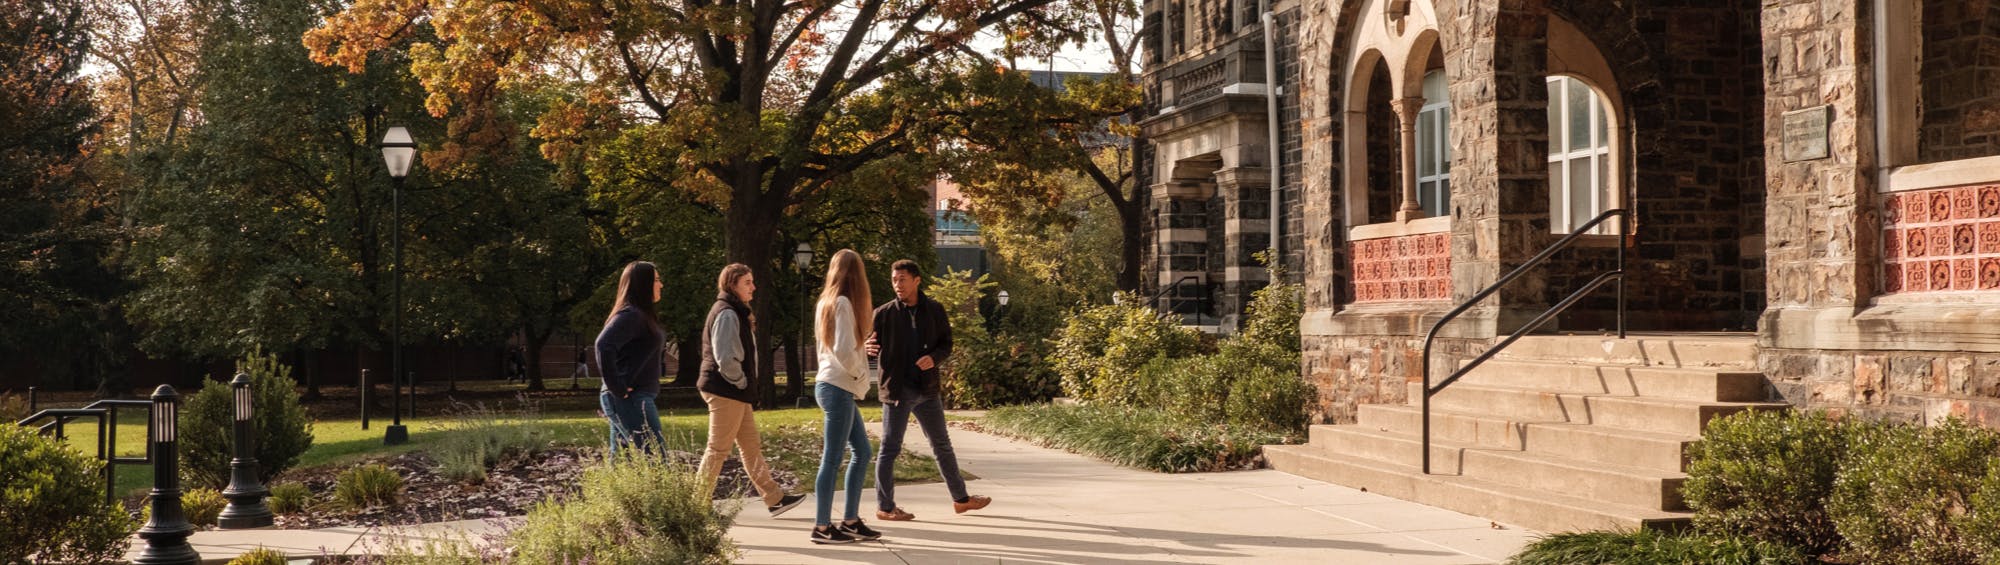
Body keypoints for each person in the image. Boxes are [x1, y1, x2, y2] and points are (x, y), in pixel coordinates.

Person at [866, 259, 989, 521]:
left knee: (942, 445)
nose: (897, 284)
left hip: (927, 390)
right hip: (898, 391)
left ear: (916, 280)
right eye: (894, 280)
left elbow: (946, 344)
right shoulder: (883, 313)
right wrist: (867, 349)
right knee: (890, 449)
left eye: (902, 279)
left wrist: (934, 358)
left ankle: (961, 500)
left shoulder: (934, 309)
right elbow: (869, 346)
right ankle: (885, 507)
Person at [698, 263, 808, 517]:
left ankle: (775, 498)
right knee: (718, 449)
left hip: (734, 391)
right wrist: (742, 382)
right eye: (747, 282)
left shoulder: (735, 310)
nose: (753, 287)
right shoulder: (727, 313)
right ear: (732, 284)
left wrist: (743, 386)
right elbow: (725, 357)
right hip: (726, 390)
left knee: (750, 446)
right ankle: (697, 504)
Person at [808, 249, 883, 544]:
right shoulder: (842, 303)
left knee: (862, 452)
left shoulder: (826, 302)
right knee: (832, 459)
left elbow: (838, 347)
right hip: (838, 387)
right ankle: (822, 527)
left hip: (835, 387)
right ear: (856, 274)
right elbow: (842, 350)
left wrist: (860, 349)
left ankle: (850, 520)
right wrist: (861, 358)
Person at [594, 261, 665, 455]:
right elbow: (603, 345)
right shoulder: (632, 315)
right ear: (643, 284)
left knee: (624, 462)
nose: (661, 285)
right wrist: (618, 387)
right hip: (631, 398)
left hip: (631, 397)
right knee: (655, 459)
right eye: (657, 280)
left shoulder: (641, 315)